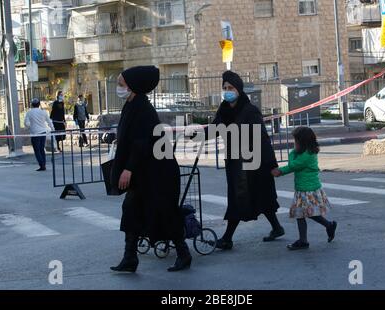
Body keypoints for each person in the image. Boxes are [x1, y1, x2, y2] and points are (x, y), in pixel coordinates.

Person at [110, 66, 192, 273]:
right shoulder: (131, 106)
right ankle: (130, 257)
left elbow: (141, 143)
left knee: (165, 212)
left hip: (158, 173)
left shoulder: (143, 110)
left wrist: (128, 169)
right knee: (131, 210)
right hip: (144, 172)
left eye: (121, 84)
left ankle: (183, 253)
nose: (118, 88)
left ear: (133, 87)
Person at [203, 70, 285, 250]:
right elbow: (215, 129)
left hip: (254, 163)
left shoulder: (250, 111)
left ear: (239, 89)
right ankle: (277, 228)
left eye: (230, 87)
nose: (227, 91)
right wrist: (196, 135)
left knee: (243, 198)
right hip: (236, 162)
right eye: (224, 88)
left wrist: (271, 164)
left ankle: (227, 239)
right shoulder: (224, 110)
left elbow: (263, 139)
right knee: (256, 197)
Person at [273, 127, 337, 250]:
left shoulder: (306, 155)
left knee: (305, 213)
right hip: (304, 189)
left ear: (302, 142)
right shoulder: (306, 152)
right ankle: (307, 238)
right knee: (301, 214)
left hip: (307, 190)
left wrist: (292, 153)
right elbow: (293, 167)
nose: (294, 143)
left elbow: (293, 165)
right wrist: (280, 171)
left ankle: (327, 226)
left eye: (296, 141)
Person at [24, 98, 55, 171]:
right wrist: (53, 129)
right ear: (39, 104)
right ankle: (43, 164)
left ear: (32, 104)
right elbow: (49, 121)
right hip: (43, 132)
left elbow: (26, 123)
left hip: (35, 133)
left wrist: (30, 126)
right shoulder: (44, 112)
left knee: (37, 150)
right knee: (42, 149)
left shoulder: (29, 112)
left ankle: (42, 165)